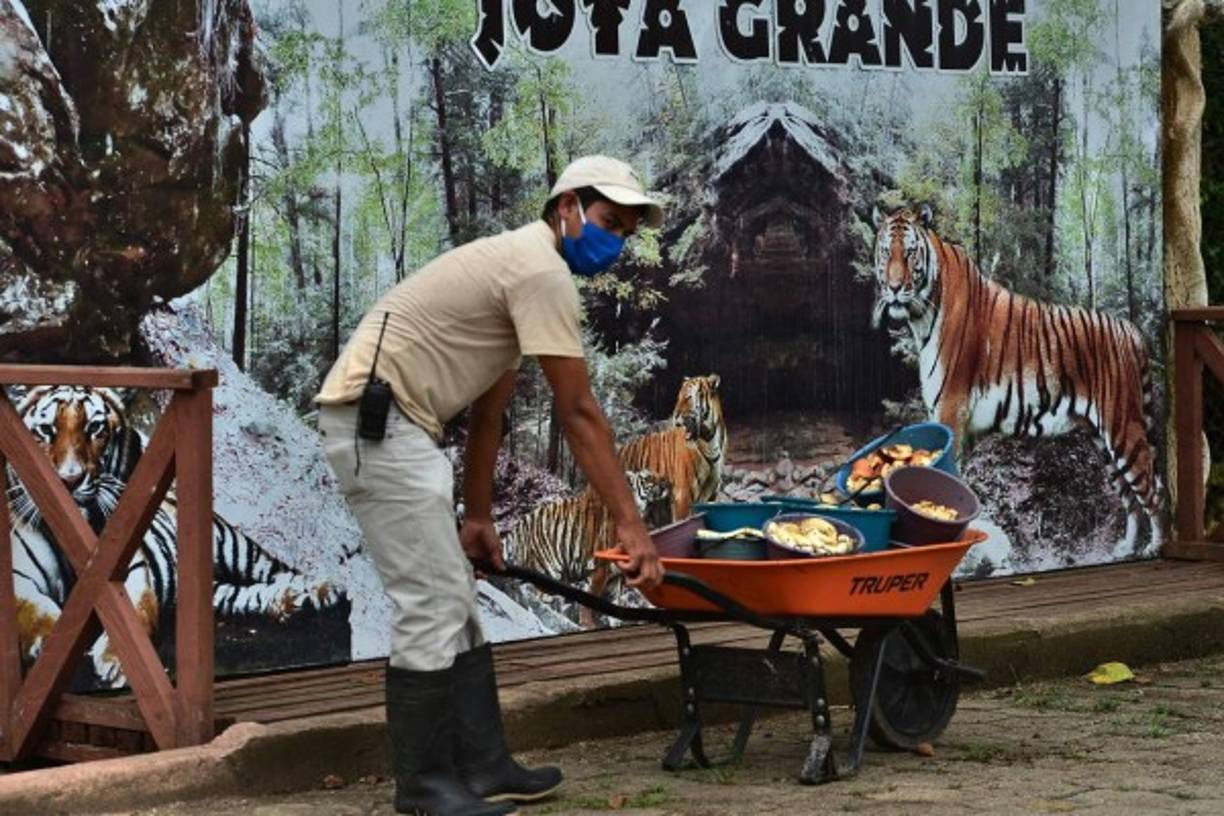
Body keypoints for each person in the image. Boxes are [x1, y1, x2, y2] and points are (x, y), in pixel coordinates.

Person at [315, 155, 666, 816]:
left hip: (399, 430)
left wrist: (478, 517)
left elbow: (489, 412)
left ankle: (483, 767)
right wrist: (631, 525)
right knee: (432, 603)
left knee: (458, 605)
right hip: (378, 427)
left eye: (624, 231)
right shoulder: (537, 270)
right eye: (605, 221)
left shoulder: (523, 269)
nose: (613, 241)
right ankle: (423, 786)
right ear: (566, 207)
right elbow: (579, 411)